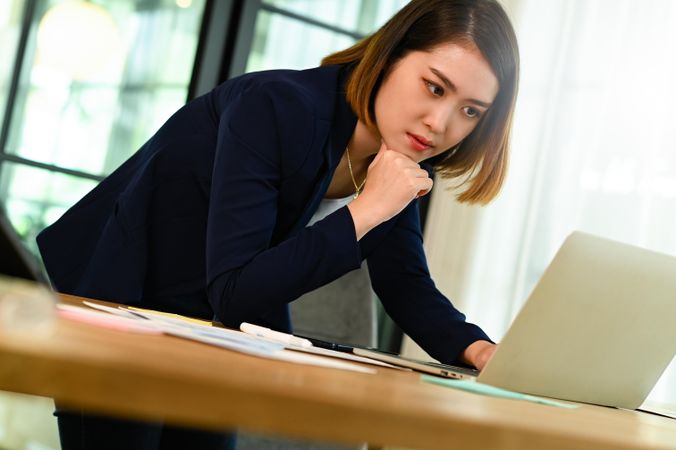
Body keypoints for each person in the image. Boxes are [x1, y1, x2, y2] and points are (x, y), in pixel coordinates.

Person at [36, 0, 519, 448]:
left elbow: (406, 283)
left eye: (470, 111)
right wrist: (366, 210)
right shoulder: (276, 105)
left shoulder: (401, 157)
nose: (440, 122)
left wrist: (479, 350)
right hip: (117, 299)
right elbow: (235, 287)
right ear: (390, 55)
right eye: (434, 87)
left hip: (212, 326)